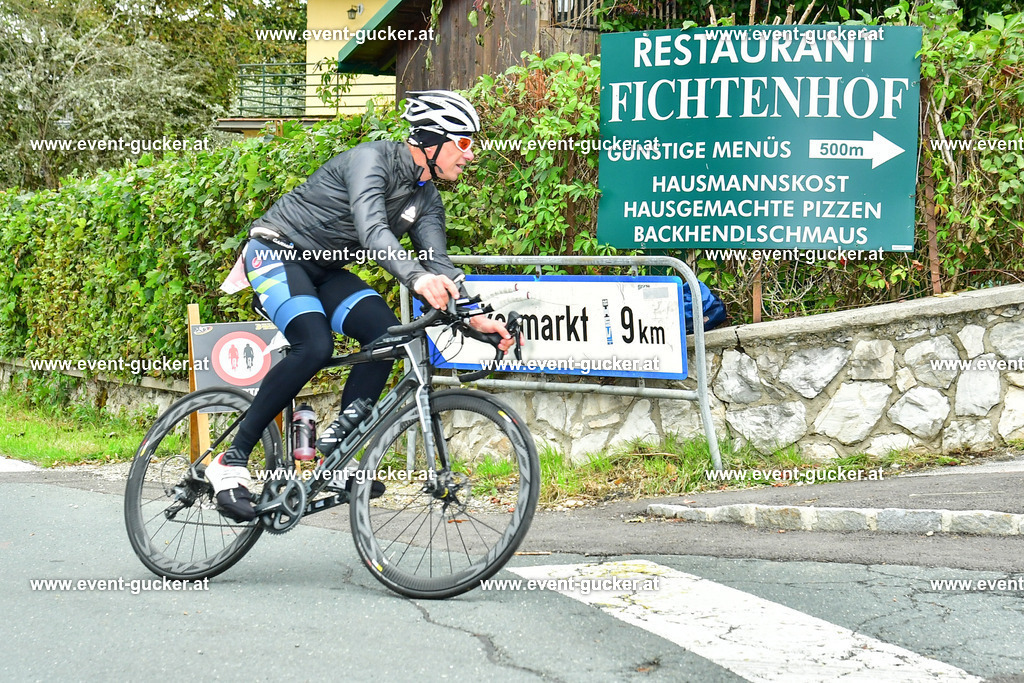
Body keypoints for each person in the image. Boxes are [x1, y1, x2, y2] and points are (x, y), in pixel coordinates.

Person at [206, 90, 515, 522]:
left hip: (326, 270)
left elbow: (439, 264)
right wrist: (418, 279)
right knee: (314, 346)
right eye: (464, 143)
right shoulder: (372, 160)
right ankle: (230, 461)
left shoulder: (425, 198)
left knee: (387, 339)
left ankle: (332, 459)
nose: (471, 156)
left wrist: (476, 317)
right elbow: (373, 231)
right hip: (276, 253)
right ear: (433, 139)